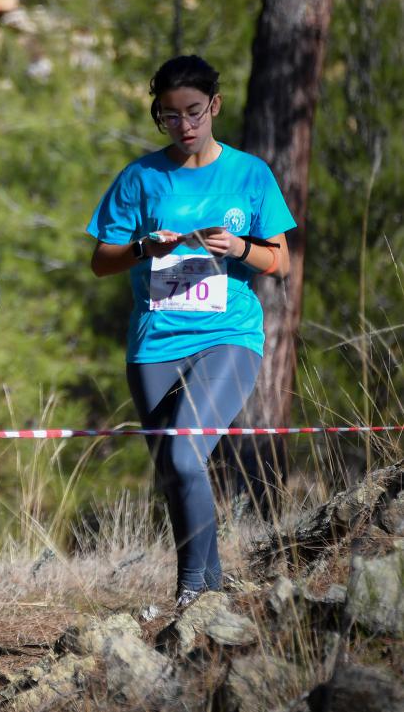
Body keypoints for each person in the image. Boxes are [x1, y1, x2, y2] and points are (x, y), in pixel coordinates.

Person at [86, 55, 295, 610]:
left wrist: (239, 248)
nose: (183, 125)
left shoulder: (250, 174)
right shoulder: (140, 177)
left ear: (215, 106)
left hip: (228, 334)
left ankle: (194, 591)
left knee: (182, 454)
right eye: (169, 116)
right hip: (154, 343)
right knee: (177, 471)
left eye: (193, 112)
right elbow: (101, 261)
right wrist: (143, 248)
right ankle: (210, 600)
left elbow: (282, 263)